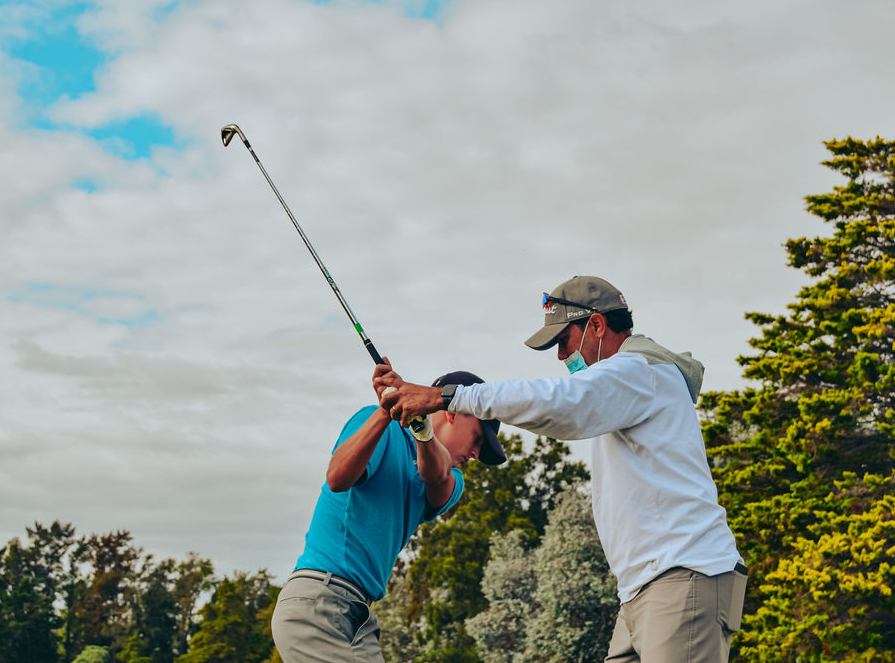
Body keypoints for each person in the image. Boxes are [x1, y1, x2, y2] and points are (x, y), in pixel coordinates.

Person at [377, 275, 747, 663]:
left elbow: (557, 402)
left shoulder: (638, 371)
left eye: (563, 341)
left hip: (684, 574)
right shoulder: (626, 385)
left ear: (597, 325)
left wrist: (445, 397)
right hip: (645, 588)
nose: (560, 356)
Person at [271, 362, 505, 663]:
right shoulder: (380, 427)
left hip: (359, 615)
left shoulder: (453, 479)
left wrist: (422, 432)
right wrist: (385, 410)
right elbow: (337, 479)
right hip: (319, 600)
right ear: (453, 412)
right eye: (478, 439)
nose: (476, 454)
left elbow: (434, 476)